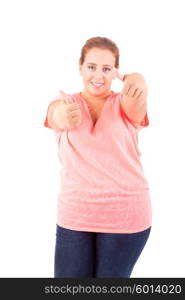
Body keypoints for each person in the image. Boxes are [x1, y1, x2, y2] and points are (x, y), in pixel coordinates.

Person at [44, 36, 152, 278]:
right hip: (75, 216)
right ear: (80, 67)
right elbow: (55, 116)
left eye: (107, 69)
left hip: (126, 216)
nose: (98, 75)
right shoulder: (63, 103)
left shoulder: (125, 104)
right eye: (91, 67)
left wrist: (139, 81)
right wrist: (64, 115)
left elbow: (137, 100)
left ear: (116, 72)